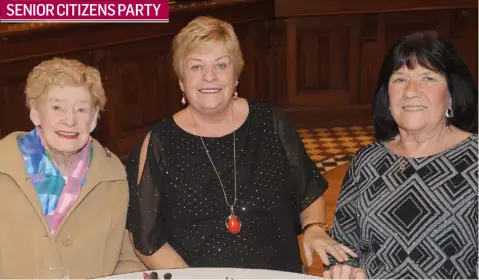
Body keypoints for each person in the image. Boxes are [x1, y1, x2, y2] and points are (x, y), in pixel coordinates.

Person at [126, 16, 357, 273]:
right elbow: (147, 240)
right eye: (196, 67)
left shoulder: (271, 124)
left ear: (236, 75)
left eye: (221, 65)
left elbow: (308, 189)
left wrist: (314, 229)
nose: (209, 77)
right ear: (181, 81)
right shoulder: (159, 143)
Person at [324, 31, 478, 279]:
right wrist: (342, 270)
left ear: (451, 93)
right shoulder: (367, 162)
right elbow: (343, 246)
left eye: (428, 78)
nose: (410, 91)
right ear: (387, 95)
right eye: (399, 79)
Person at [0, 58, 146, 278]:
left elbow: (130, 259)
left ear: (94, 118)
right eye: (57, 107)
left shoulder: (115, 176)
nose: (70, 120)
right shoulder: (5, 167)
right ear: (35, 113)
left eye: (81, 109)